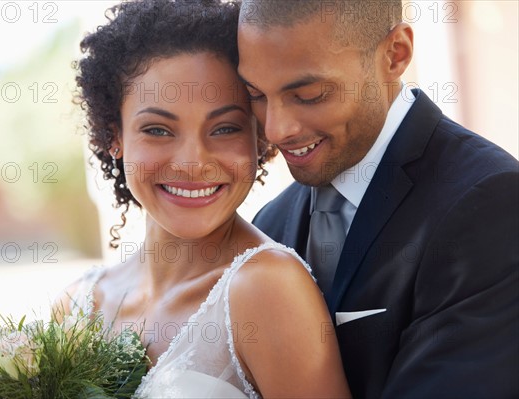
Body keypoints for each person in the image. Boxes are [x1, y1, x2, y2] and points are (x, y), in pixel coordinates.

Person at [55, 1, 351, 397]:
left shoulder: (267, 290)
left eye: (224, 128)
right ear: (115, 137)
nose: (193, 163)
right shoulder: (76, 306)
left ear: (258, 137)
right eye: (158, 130)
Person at [239, 1, 519, 398]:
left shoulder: (490, 202)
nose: (275, 129)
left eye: (309, 94)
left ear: (395, 54)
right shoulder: (270, 221)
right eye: (256, 94)